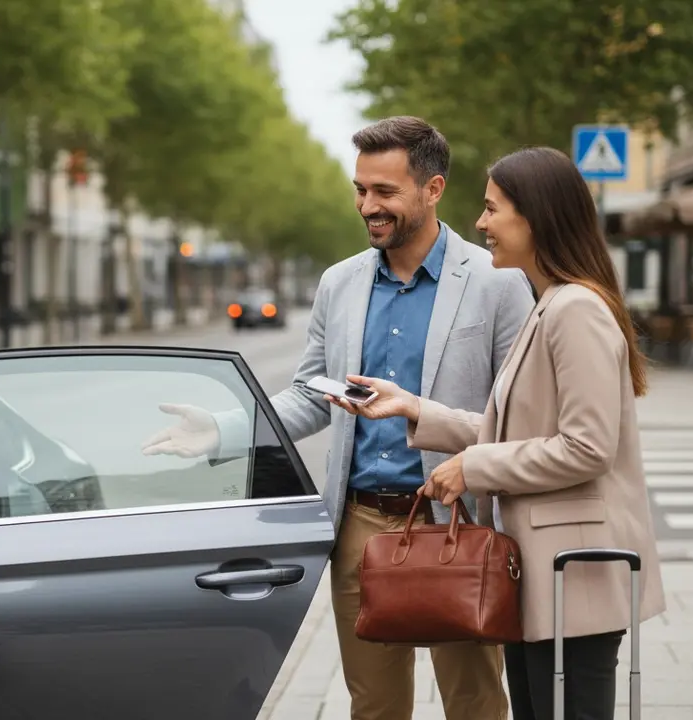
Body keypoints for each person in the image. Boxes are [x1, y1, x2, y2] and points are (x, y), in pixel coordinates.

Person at [142, 116, 532, 720]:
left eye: (385, 192)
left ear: (433, 189)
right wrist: (224, 427)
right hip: (362, 527)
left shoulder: (496, 281)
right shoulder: (340, 284)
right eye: (360, 190)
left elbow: (517, 417)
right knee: (373, 707)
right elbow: (309, 394)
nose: (368, 206)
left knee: (475, 702)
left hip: (459, 522)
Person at [335, 146, 665, 720]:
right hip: (545, 576)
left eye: (493, 209)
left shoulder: (575, 310)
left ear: (536, 216)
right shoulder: (551, 304)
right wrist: (414, 409)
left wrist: (474, 467)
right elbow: (507, 427)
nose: (482, 224)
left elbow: (587, 447)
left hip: (575, 575)